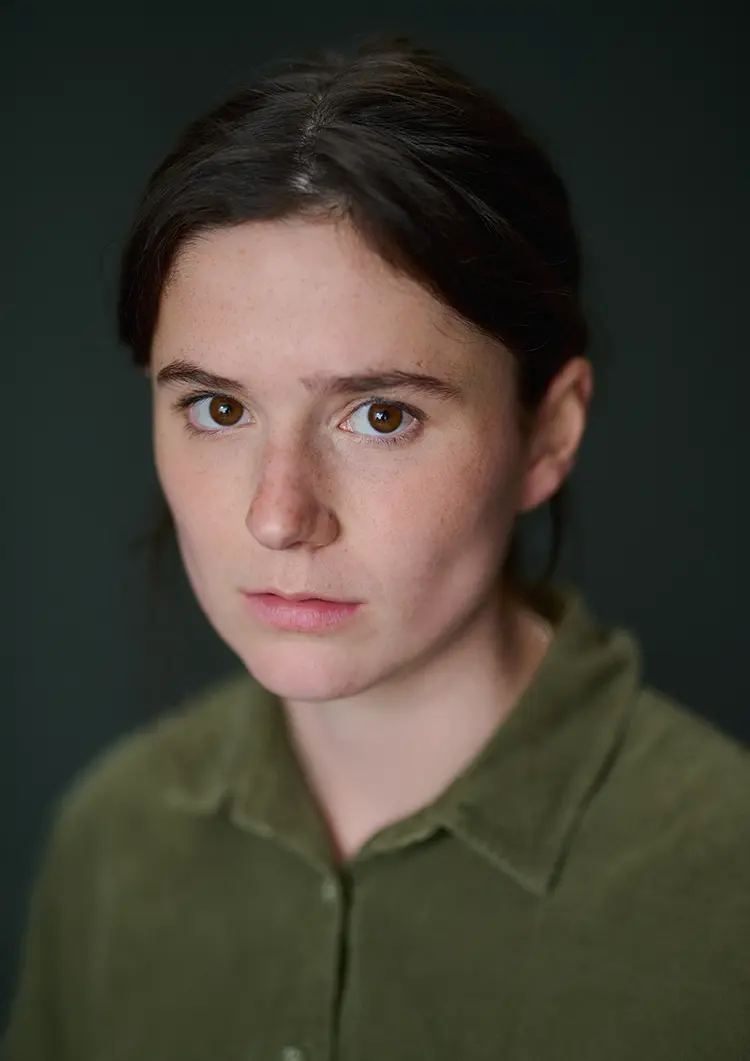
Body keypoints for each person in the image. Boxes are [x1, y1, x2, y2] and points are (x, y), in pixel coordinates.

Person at [4, 34, 749, 1061]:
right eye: (217, 406)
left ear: (550, 431)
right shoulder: (114, 840)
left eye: (382, 417)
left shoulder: (728, 885)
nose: (278, 515)